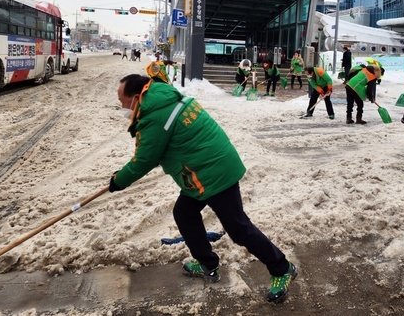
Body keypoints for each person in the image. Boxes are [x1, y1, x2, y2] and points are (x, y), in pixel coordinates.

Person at [109, 74, 297, 303]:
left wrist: (118, 181)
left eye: (123, 100)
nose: (121, 106)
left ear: (138, 97)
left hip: (214, 173)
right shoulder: (163, 100)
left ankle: (282, 268)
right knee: (184, 213)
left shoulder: (157, 116)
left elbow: (144, 160)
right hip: (200, 173)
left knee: (239, 228)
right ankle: (207, 262)